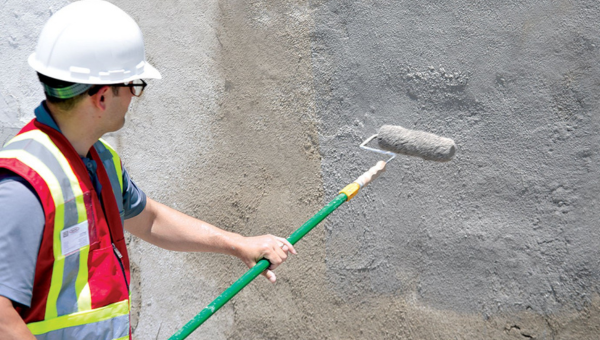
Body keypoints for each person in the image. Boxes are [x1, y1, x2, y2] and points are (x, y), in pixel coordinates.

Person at [0, 1, 296, 339]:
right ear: (101, 97)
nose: (134, 97)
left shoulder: (101, 161)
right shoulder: (23, 183)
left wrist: (238, 243)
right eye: (133, 85)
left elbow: (150, 220)